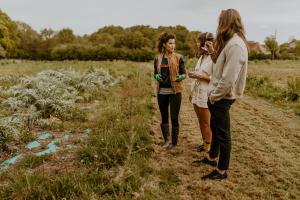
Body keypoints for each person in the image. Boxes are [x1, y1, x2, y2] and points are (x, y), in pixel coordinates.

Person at [201, 9, 248, 180]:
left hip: (222, 97)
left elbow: (228, 79)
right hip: (219, 96)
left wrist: (214, 96)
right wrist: (213, 51)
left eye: (220, 21)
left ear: (226, 22)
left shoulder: (236, 45)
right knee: (215, 128)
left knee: (223, 134)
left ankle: (222, 170)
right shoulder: (230, 43)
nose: (218, 25)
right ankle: (212, 158)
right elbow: (220, 65)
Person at [153, 32, 186, 149]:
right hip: (162, 92)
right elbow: (155, 73)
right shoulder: (158, 58)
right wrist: (156, 76)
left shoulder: (179, 57)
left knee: (174, 117)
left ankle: (174, 142)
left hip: (175, 92)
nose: (173, 45)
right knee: (164, 117)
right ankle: (166, 141)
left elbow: (184, 73)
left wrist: (180, 77)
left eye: (174, 43)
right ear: (164, 44)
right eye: (170, 43)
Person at [188, 32, 214, 153]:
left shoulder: (213, 58)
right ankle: (204, 143)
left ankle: (209, 146)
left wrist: (200, 76)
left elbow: (215, 78)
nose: (197, 44)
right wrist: (191, 92)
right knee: (200, 120)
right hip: (196, 92)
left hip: (205, 93)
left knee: (206, 122)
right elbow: (199, 73)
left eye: (199, 41)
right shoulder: (201, 57)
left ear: (205, 43)